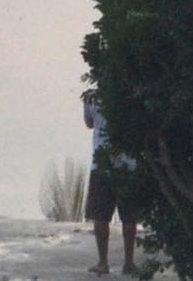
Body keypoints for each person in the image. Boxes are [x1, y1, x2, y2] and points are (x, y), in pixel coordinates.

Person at [82, 90, 138, 273]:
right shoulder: (132, 96)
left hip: (102, 164)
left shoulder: (92, 97)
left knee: (100, 216)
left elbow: (89, 123)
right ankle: (128, 262)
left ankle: (103, 262)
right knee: (129, 216)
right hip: (128, 164)